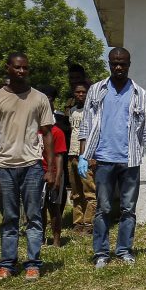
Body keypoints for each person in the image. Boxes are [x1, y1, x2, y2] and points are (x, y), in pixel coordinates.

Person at [77, 47, 146, 268]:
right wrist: (83, 155)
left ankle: (124, 250)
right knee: (103, 208)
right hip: (103, 159)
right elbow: (86, 125)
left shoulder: (140, 94)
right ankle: (101, 253)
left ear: (129, 64)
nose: (118, 67)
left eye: (123, 63)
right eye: (114, 63)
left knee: (128, 209)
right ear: (109, 64)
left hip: (130, 160)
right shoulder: (96, 90)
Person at [0, 54, 56, 280]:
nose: (21, 71)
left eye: (25, 68)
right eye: (17, 67)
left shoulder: (39, 98)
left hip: (32, 166)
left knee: (34, 217)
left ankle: (33, 264)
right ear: (8, 68)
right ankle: (7, 264)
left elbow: (47, 135)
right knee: (9, 218)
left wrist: (51, 168)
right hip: (4, 167)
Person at [36, 85, 68, 247]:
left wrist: (58, 177)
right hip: (37, 174)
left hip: (54, 173)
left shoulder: (57, 132)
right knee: (39, 208)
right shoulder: (34, 132)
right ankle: (41, 237)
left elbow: (60, 157)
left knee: (54, 208)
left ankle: (56, 240)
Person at [65, 71, 95, 231]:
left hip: (87, 155)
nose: (81, 95)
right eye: (78, 92)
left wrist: (93, 156)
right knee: (76, 192)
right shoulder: (72, 111)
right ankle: (78, 222)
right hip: (72, 155)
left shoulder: (92, 112)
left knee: (89, 192)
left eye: (83, 92)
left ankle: (89, 222)